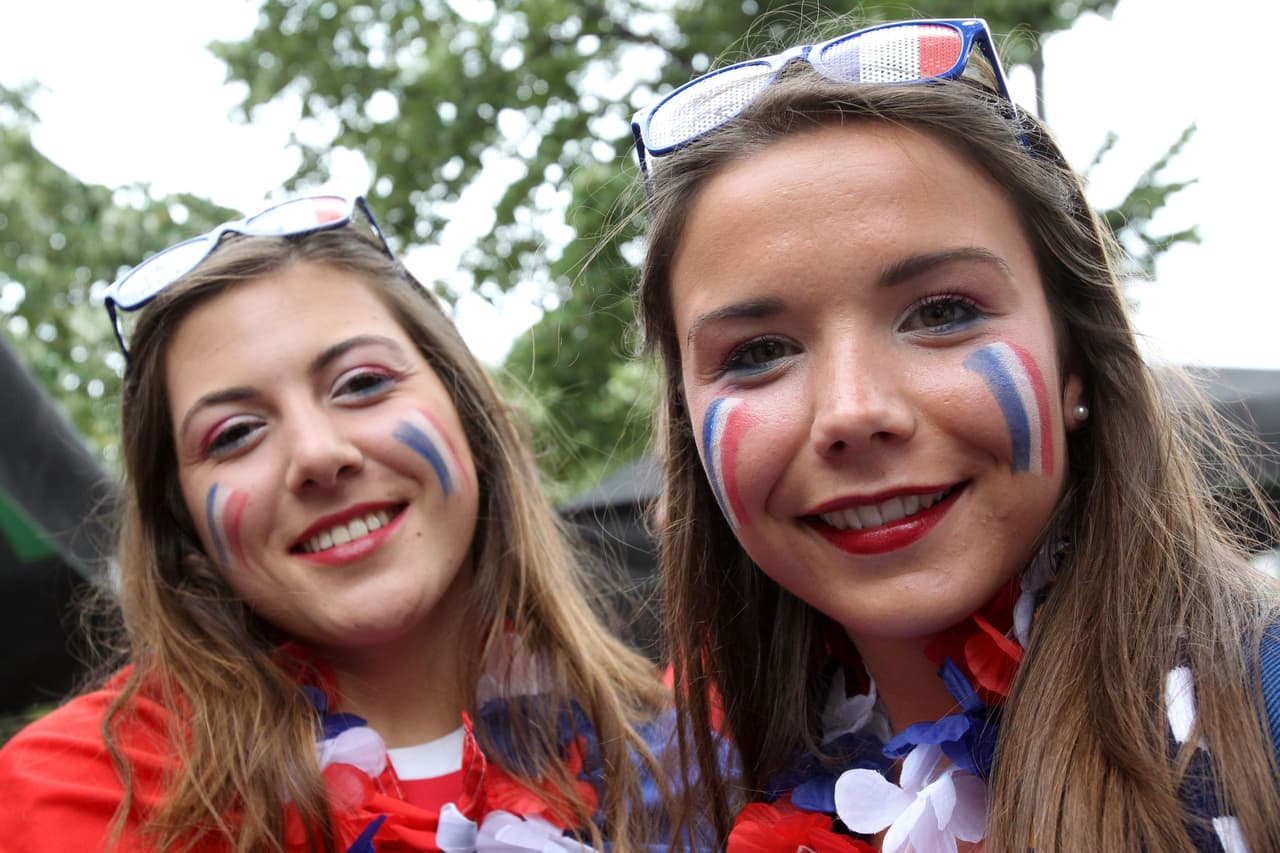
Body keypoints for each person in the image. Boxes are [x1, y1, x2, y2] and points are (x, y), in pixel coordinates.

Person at [630, 17, 1280, 851]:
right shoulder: (672, 804)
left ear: (1073, 360)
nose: (852, 411)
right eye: (759, 352)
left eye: (942, 312)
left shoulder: (1262, 711)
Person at [0, 195, 678, 851]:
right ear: (183, 531)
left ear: (472, 418)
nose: (318, 455)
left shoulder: (700, 746)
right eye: (235, 433)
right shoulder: (65, 799)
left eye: (360, 383)